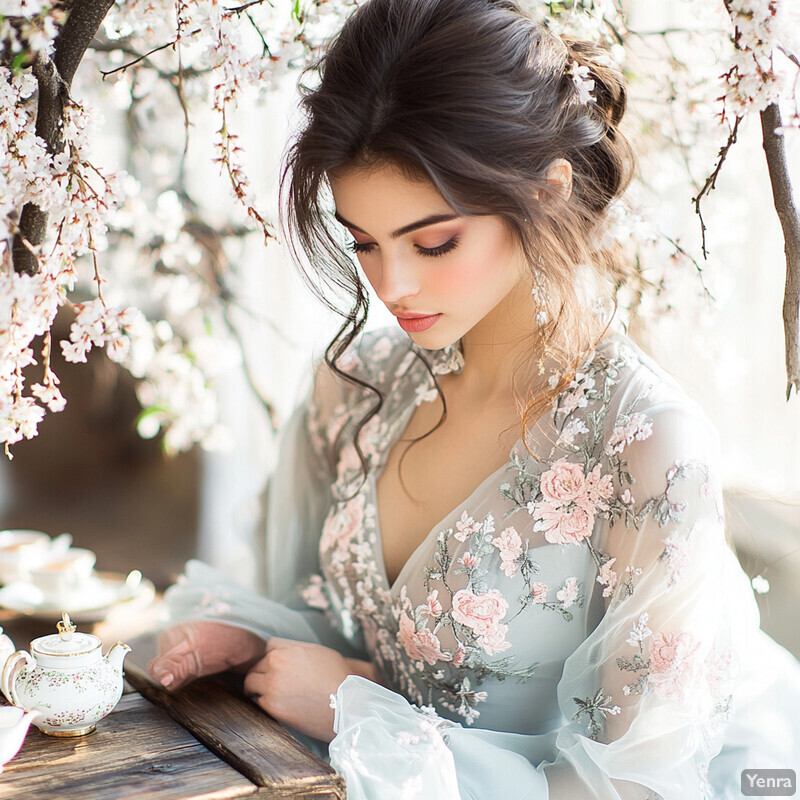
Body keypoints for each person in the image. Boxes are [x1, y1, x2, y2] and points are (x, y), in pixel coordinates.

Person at [147, 0, 800, 797]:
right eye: (363, 242)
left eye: (433, 241)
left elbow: (628, 788)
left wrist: (362, 712)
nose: (393, 286)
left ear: (549, 191)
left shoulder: (648, 448)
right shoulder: (361, 381)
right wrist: (246, 638)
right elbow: (307, 603)